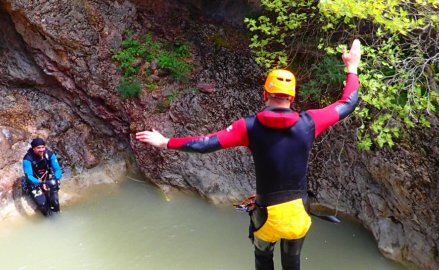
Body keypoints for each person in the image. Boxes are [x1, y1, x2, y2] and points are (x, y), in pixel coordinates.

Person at [136, 39, 361, 270]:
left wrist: (166, 142)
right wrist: (352, 67)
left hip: (267, 217)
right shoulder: (311, 122)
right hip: (297, 216)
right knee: (292, 262)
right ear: (292, 98)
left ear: (265, 94)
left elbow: (205, 144)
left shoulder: (249, 127)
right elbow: (348, 102)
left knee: (263, 258)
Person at [22, 137, 63, 216]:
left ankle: (58, 218)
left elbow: (57, 170)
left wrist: (56, 178)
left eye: (43, 147)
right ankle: (50, 221)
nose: (41, 150)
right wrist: (40, 183)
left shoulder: (49, 155)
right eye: (38, 148)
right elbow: (29, 176)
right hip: (35, 183)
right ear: (33, 148)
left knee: (55, 203)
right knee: (44, 206)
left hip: (47, 180)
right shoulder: (27, 159)